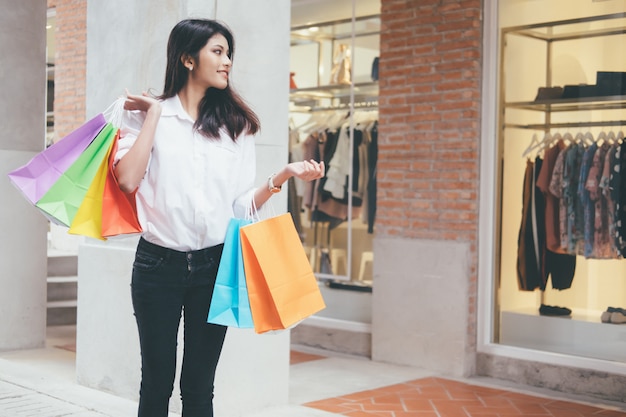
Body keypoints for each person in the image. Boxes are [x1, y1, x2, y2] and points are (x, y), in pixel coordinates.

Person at [113, 18, 324, 417]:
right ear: (187, 59)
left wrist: (282, 176)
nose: (227, 61)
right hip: (157, 264)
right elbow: (127, 180)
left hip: (214, 264)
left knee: (198, 387)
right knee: (156, 382)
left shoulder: (237, 126)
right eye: (218, 51)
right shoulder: (144, 117)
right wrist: (155, 115)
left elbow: (240, 206)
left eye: (229, 54)